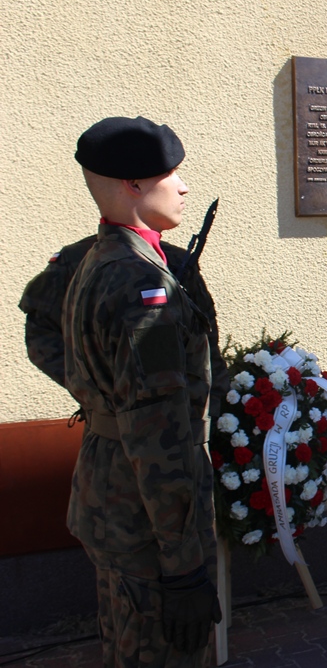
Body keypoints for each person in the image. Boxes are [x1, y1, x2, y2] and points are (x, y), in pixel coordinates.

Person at [62, 116, 221, 666]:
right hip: (147, 517)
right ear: (133, 184)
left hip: (112, 494)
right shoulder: (141, 285)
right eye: (170, 174)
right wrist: (183, 566)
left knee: (125, 647)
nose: (183, 187)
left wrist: (102, 401)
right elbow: (158, 435)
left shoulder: (101, 259)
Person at [19, 226, 229, 418]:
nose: (181, 197)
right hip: (112, 423)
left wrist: (215, 406)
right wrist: (97, 388)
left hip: (177, 417)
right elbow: (42, 337)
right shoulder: (77, 259)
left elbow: (207, 341)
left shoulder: (175, 260)